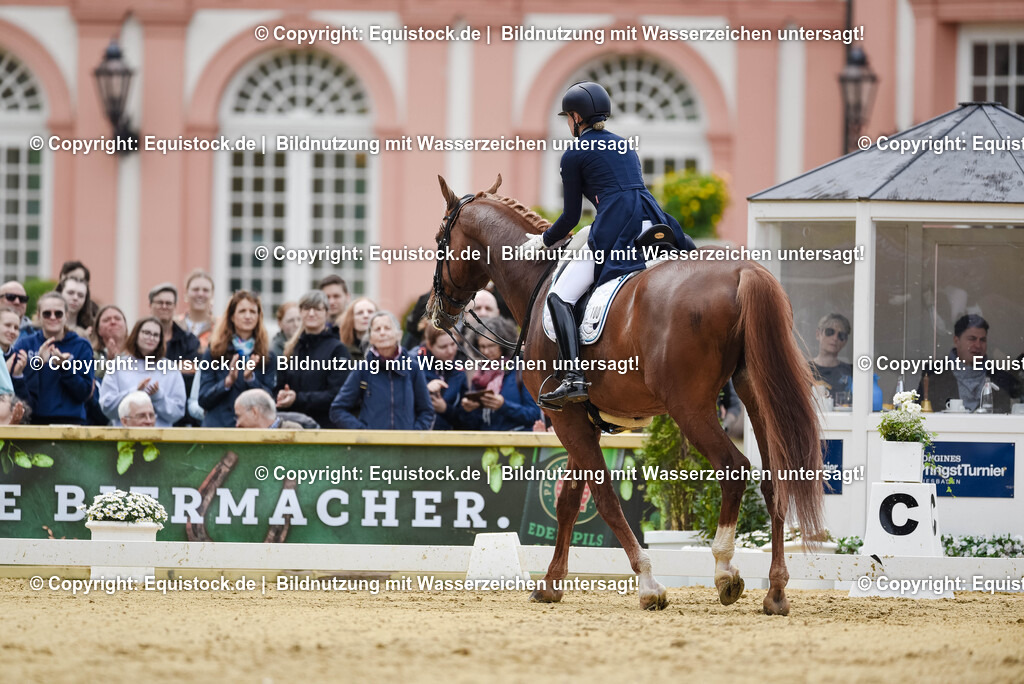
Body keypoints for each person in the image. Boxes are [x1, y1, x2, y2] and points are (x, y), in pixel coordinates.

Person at [522, 81, 694, 408]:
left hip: (617, 227)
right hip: (651, 217)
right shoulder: (623, 144)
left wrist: (543, 241)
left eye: (567, 118)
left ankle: (573, 378)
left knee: (560, 296)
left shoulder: (573, 154)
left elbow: (570, 217)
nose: (568, 124)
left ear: (576, 117)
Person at [329, 311, 433, 430]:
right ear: (371, 338)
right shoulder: (363, 369)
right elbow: (337, 409)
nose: (382, 333)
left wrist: (414, 435)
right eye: (377, 329)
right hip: (371, 446)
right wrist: (362, 432)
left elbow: (427, 411)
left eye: (387, 328)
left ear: (399, 335)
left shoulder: (413, 367)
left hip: (406, 446)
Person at [9, 292, 95, 424]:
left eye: (58, 313)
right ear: (38, 316)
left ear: (67, 316)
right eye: (47, 313)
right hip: (33, 421)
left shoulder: (81, 346)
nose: (53, 317)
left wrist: (65, 367)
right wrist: (37, 364)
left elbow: (84, 393)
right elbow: (17, 388)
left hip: (71, 422)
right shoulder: (25, 344)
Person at [198, 290, 276, 427]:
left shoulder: (267, 356)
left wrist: (250, 379)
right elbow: (203, 399)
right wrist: (227, 382)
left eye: (252, 312)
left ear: (258, 317)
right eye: (242, 311)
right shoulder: (214, 352)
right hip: (218, 429)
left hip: (252, 432)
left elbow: (269, 402)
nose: (248, 316)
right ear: (232, 317)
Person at [275, 290, 351, 429]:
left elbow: (337, 395)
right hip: (292, 427)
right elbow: (279, 386)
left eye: (317, 309)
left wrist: (297, 398)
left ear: (326, 313)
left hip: (324, 428)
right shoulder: (290, 349)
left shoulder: (338, 350)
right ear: (300, 312)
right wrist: (281, 396)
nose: (311, 313)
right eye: (306, 308)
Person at [918, 314, 1020, 413]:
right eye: (972, 339)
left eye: (982, 340)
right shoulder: (933, 375)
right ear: (956, 341)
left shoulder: (1001, 379)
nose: (978, 345)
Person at [99, 317, 186, 427]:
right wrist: (134, 392)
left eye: (156, 335)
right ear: (136, 335)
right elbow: (107, 407)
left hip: (160, 439)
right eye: (146, 333)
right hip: (125, 438)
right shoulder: (118, 365)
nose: (151, 338)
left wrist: (158, 397)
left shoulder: (170, 369)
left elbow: (178, 412)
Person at [459, 317, 540, 431]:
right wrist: (469, 410)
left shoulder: (521, 370)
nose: (486, 351)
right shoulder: (480, 376)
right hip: (486, 443)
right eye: (482, 346)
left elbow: (534, 416)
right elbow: (473, 425)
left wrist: (503, 406)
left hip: (519, 443)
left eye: (491, 345)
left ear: (502, 343)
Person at [149, 282, 200, 415]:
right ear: (150, 305)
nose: (164, 306)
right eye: (160, 303)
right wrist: (176, 368)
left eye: (169, 303)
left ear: (175, 306)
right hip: (147, 412)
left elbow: (191, 376)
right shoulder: (140, 339)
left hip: (181, 413)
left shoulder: (189, 341)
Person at [417, 324, 468, 430]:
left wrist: (445, 409)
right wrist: (425, 391)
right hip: (417, 436)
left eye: (453, 344)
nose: (450, 351)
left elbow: (466, 420)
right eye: (443, 347)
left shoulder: (459, 372)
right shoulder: (414, 365)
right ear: (430, 345)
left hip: (448, 439)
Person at [810, 313, 853, 399]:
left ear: (845, 341)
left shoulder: (852, 372)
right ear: (818, 334)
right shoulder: (803, 370)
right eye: (830, 332)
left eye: (841, 335)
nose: (835, 338)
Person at [178, 269, 217, 353]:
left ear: (212, 294)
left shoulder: (219, 327)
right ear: (186, 293)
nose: (200, 294)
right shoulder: (175, 325)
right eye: (195, 289)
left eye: (205, 290)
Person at [58, 261, 99, 334]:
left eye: (80, 295)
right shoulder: (48, 315)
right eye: (70, 292)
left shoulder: (93, 314)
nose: (75, 298)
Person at [235, 388, 303, 429]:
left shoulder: (294, 432)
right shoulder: (243, 440)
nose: (237, 424)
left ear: (254, 412)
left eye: (239, 416)